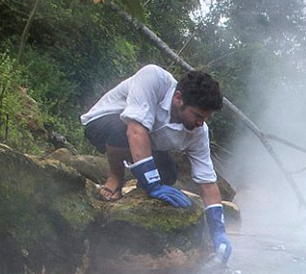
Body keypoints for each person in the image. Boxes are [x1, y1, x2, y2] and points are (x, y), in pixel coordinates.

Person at [80, 65, 231, 262]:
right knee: (123, 131)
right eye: (198, 116)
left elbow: (208, 182)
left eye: (206, 118)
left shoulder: (199, 132)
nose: (201, 123)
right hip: (103, 122)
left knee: (168, 175)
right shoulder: (154, 78)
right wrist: (152, 183)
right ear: (178, 99)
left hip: (145, 140)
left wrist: (218, 232)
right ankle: (115, 177)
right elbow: (134, 130)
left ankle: (138, 188)